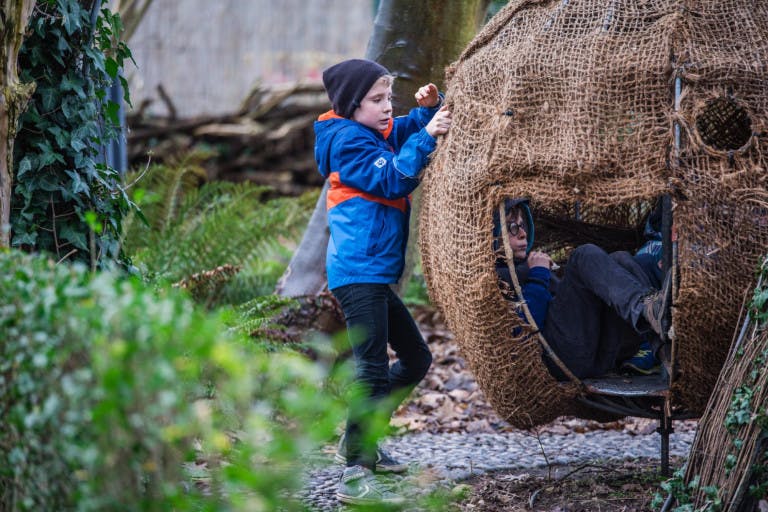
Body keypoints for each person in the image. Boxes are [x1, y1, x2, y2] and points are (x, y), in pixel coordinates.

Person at [315, 58, 452, 506]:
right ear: (352, 105)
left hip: (373, 273)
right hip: (358, 273)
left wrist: (432, 110)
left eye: (388, 97)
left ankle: (363, 436)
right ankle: (356, 468)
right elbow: (394, 179)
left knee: (415, 357)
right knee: (371, 368)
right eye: (376, 100)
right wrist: (430, 137)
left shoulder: (372, 130)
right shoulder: (349, 144)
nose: (386, 107)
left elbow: (406, 130)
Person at [494, 198, 671, 381]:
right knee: (582, 255)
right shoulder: (497, 279)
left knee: (621, 260)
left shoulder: (527, 264)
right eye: (512, 228)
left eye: (522, 226)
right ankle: (648, 313)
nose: (522, 233)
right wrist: (538, 275)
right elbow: (521, 333)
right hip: (560, 359)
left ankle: (658, 336)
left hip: (597, 352)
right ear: (494, 235)